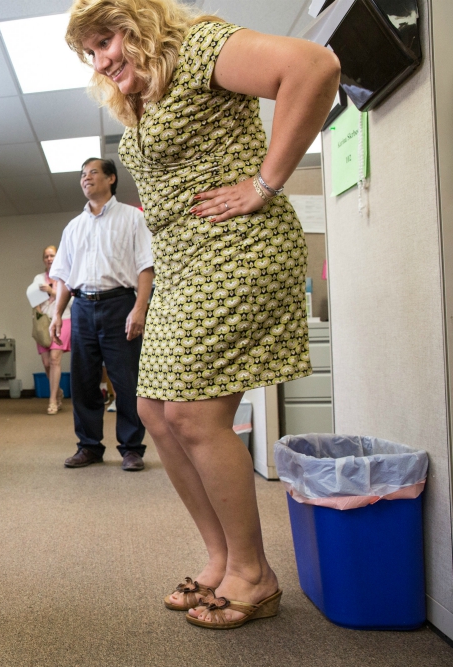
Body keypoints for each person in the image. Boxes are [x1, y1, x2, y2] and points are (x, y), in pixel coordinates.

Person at [67, 0, 340, 628]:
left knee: (194, 412)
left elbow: (314, 66)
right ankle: (220, 558)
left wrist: (266, 183)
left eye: (106, 40)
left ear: (137, 23)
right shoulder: (144, 94)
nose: (101, 60)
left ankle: (254, 573)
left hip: (235, 249)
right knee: (153, 413)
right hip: (184, 262)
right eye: (91, 53)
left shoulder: (198, 46)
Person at [49, 158, 154, 472]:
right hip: (81, 308)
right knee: (83, 382)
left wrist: (139, 308)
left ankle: (132, 449)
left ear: (111, 178)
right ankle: (89, 446)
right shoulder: (73, 227)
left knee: (126, 381)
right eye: (82, 174)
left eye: (93, 172)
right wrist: (57, 315)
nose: (86, 178)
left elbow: (145, 267)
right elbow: (64, 276)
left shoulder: (133, 218)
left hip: (119, 304)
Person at [26, 245, 72, 414]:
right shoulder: (38, 278)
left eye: (52, 256)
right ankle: (58, 390)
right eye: (46, 256)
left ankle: (52, 400)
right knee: (46, 363)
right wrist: (38, 312)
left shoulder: (66, 277)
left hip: (63, 320)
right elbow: (33, 298)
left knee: (54, 359)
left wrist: (52, 291)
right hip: (44, 322)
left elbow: (72, 302)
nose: (49, 259)